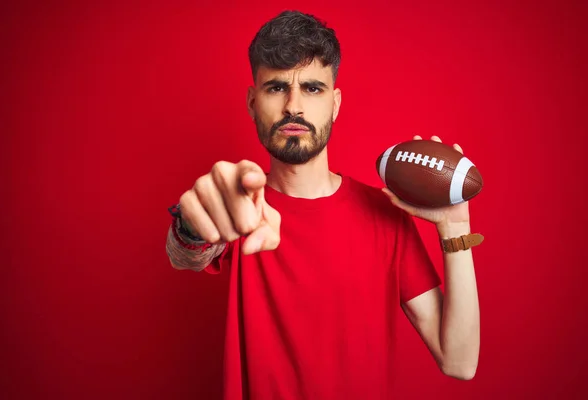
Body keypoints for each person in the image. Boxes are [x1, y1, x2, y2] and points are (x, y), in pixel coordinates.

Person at [166, 10, 481, 400]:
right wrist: (193, 228)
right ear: (251, 102)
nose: (293, 106)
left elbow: (460, 361)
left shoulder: (385, 215)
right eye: (276, 87)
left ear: (335, 103)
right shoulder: (242, 205)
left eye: (312, 88)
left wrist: (454, 227)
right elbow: (186, 253)